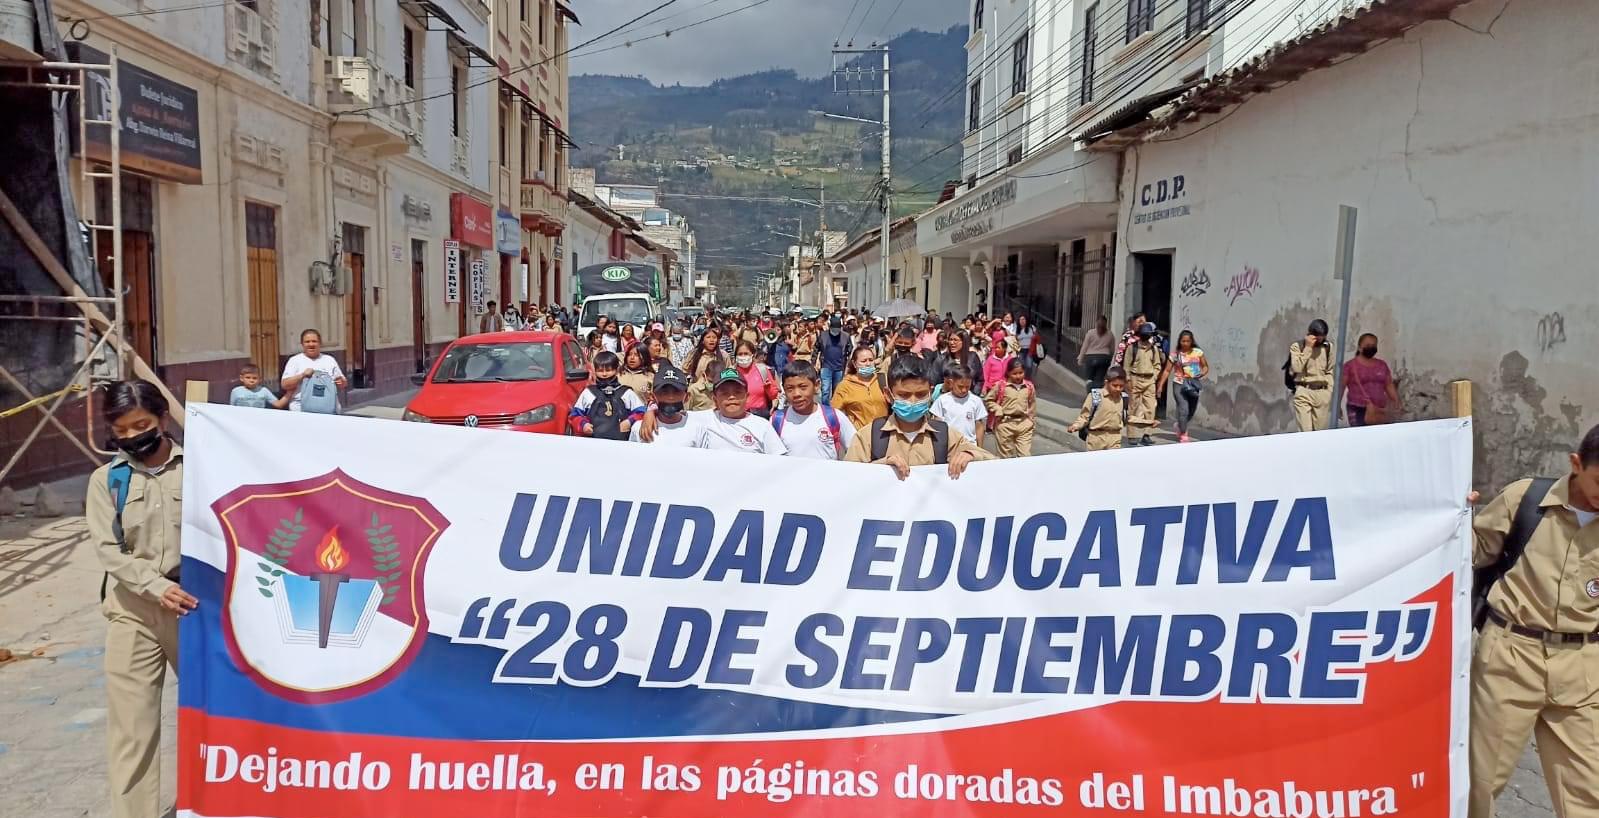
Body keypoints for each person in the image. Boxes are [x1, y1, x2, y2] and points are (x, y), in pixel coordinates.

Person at [1467, 423, 1599, 818]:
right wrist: (1453, 513)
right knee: (1479, 786)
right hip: (1510, 657)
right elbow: (1468, 551)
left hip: (1583, 668)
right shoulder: (1526, 499)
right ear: (1576, 464)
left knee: (1588, 793)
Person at [87, 380, 196, 818]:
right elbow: (108, 550)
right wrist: (154, 586)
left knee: (217, 715)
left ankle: (216, 801)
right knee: (132, 731)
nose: (132, 436)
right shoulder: (106, 481)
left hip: (194, 609)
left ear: (162, 419)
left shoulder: (202, 468)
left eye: (141, 425)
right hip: (133, 611)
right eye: (121, 430)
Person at [842, 355, 992, 479]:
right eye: (904, 395)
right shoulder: (868, 437)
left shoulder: (945, 435)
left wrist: (969, 455)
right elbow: (847, 479)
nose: (913, 402)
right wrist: (880, 468)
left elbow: (993, 463)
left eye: (921, 395)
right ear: (888, 394)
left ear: (930, 393)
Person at [771, 360, 856, 460]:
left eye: (803, 387)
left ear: (816, 385)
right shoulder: (777, 420)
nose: (796, 394)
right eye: (790, 388)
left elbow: (856, 451)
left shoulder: (834, 417)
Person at [568, 351, 644, 440]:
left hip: (621, 442)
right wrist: (583, 425)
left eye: (608, 370)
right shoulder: (588, 392)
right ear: (595, 371)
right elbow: (574, 416)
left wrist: (629, 421)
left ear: (616, 370)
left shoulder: (626, 393)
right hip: (593, 441)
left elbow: (642, 413)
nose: (604, 374)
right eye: (600, 371)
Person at [1337, 333, 1400, 427]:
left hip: (1378, 409)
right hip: (1357, 408)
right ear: (1359, 348)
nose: (1371, 347)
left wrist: (1396, 400)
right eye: (1368, 345)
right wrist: (1337, 405)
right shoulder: (1350, 366)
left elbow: (1388, 384)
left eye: (1374, 345)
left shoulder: (1382, 365)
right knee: (1360, 434)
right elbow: (1341, 386)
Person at [280, 328, 346, 413]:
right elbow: (285, 385)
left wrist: (341, 382)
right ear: (302, 344)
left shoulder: (329, 360)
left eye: (314, 341)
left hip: (328, 408)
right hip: (301, 409)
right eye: (307, 342)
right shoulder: (294, 360)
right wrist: (302, 375)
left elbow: (342, 384)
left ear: (320, 343)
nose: (311, 344)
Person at [1160, 330, 1209, 443]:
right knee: (1183, 409)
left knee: (1191, 410)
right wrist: (1160, 385)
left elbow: (1205, 366)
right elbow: (1167, 370)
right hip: (1179, 384)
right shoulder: (1175, 355)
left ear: (1191, 341)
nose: (1185, 343)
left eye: (1188, 341)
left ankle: (1179, 425)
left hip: (1193, 384)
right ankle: (1183, 433)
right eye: (1183, 341)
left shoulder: (1198, 352)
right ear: (1179, 341)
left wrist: (1202, 373)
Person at [631, 365, 698, 446]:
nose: (670, 397)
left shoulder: (697, 429)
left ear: (687, 397)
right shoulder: (639, 428)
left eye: (676, 391)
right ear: (652, 397)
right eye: (664, 392)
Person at [985, 357, 1036, 458]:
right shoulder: (1001, 386)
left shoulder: (1029, 387)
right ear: (1008, 373)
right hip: (1005, 423)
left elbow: (1032, 405)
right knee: (1005, 457)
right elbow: (988, 400)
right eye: (1014, 373)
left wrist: (1032, 422)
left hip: (1023, 424)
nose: (1018, 376)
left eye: (1021, 373)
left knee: (1025, 456)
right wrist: (997, 409)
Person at [1289, 319, 1334, 432]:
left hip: (1322, 393)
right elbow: (1297, 368)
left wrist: (1329, 393)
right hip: (1304, 391)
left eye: (1323, 337)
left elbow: (1329, 371)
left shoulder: (1328, 347)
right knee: (1306, 432)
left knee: (1320, 433)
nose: (1320, 339)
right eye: (1318, 337)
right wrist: (1308, 348)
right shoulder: (1297, 346)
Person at [1067, 366, 1128, 451]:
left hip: (1115, 437)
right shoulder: (1095, 396)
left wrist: (1143, 422)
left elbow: (1127, 416)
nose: (1118, 389)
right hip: (1096, 438)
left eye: (1121, 386)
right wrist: (1076, 426)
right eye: (1115, 385)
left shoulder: (1123, 398)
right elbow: (1085, 416)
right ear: (1106, 382)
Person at [1124, 322, 1165, 446]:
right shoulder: (1132, 348)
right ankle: (1132, 435)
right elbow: (1126, 366)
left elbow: (1157, 365)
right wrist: (1128, 380)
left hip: (1149, 380)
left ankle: (1147, 434)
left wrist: (1154, 377)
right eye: (1144, 334)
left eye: (1148, 334)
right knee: (1133, 407)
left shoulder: (1153, 349)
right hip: (1135, 378)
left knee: (1150, 408)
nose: (1146, 336)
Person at [831, 345, 889, 432]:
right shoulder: (845, 386)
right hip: (860, 434)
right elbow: (834, 413)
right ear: (854, 364)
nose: (868, 364)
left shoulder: (883, 380)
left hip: (883, 433)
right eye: (863, 361)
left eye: (871, 360)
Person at [931, 362, 987, 448]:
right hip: (949, 446)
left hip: (970, 445)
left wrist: (980, 448)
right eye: (960, 386)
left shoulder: (976, 401)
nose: (964, 390)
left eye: (967, 387)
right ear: (951, 383)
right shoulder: (942, 400)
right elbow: (937, 425)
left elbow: (979, 427)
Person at [732, 339, 780, 419]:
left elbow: (774, 395)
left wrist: (768, 389)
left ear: (753, 355)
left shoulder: (763, 370)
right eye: (740, 354)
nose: (743, 356)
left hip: (759, 416)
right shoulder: (730, 372)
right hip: (737, 416)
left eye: (746, 353)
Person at [815, 315, 853, 404]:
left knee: (837, 390)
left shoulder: (845, 336)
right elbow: (816, 349)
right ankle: (825, 408)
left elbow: (850, 349)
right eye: (834, 329)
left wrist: (847, 363)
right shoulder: (823, 335)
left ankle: (835, 407)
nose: (835, 332)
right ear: (830, 327)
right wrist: (814, 362)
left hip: (839, 367)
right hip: (826, 366)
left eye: (837, 329)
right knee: (825, 390)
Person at [1078, 315, 1116, 389]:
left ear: (1096, 323)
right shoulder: (1110, 334)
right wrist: (1110, 360)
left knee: (1089, 379)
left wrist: (1080, 359)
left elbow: (1084, 347)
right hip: (1104, 358)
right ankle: (1096, 393)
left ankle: (1090, 393)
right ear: (1106, 324)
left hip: (1090, 358)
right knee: (1099, 381)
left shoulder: (1090, 333)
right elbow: (1112, 349)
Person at [1015, 314, 1039, 380]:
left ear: (1026, 320)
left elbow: (1037, 337)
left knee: (1029, 365)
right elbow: (1014, 339)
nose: (1022, 321)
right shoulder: (1016, 329)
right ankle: (1022, 379)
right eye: (1020, 320)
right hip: (1021, 350)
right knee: (1022, 366)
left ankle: (1028, 379)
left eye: (1023, 319)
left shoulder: (1032, 327)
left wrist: (1035, 338)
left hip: (1029, 350)